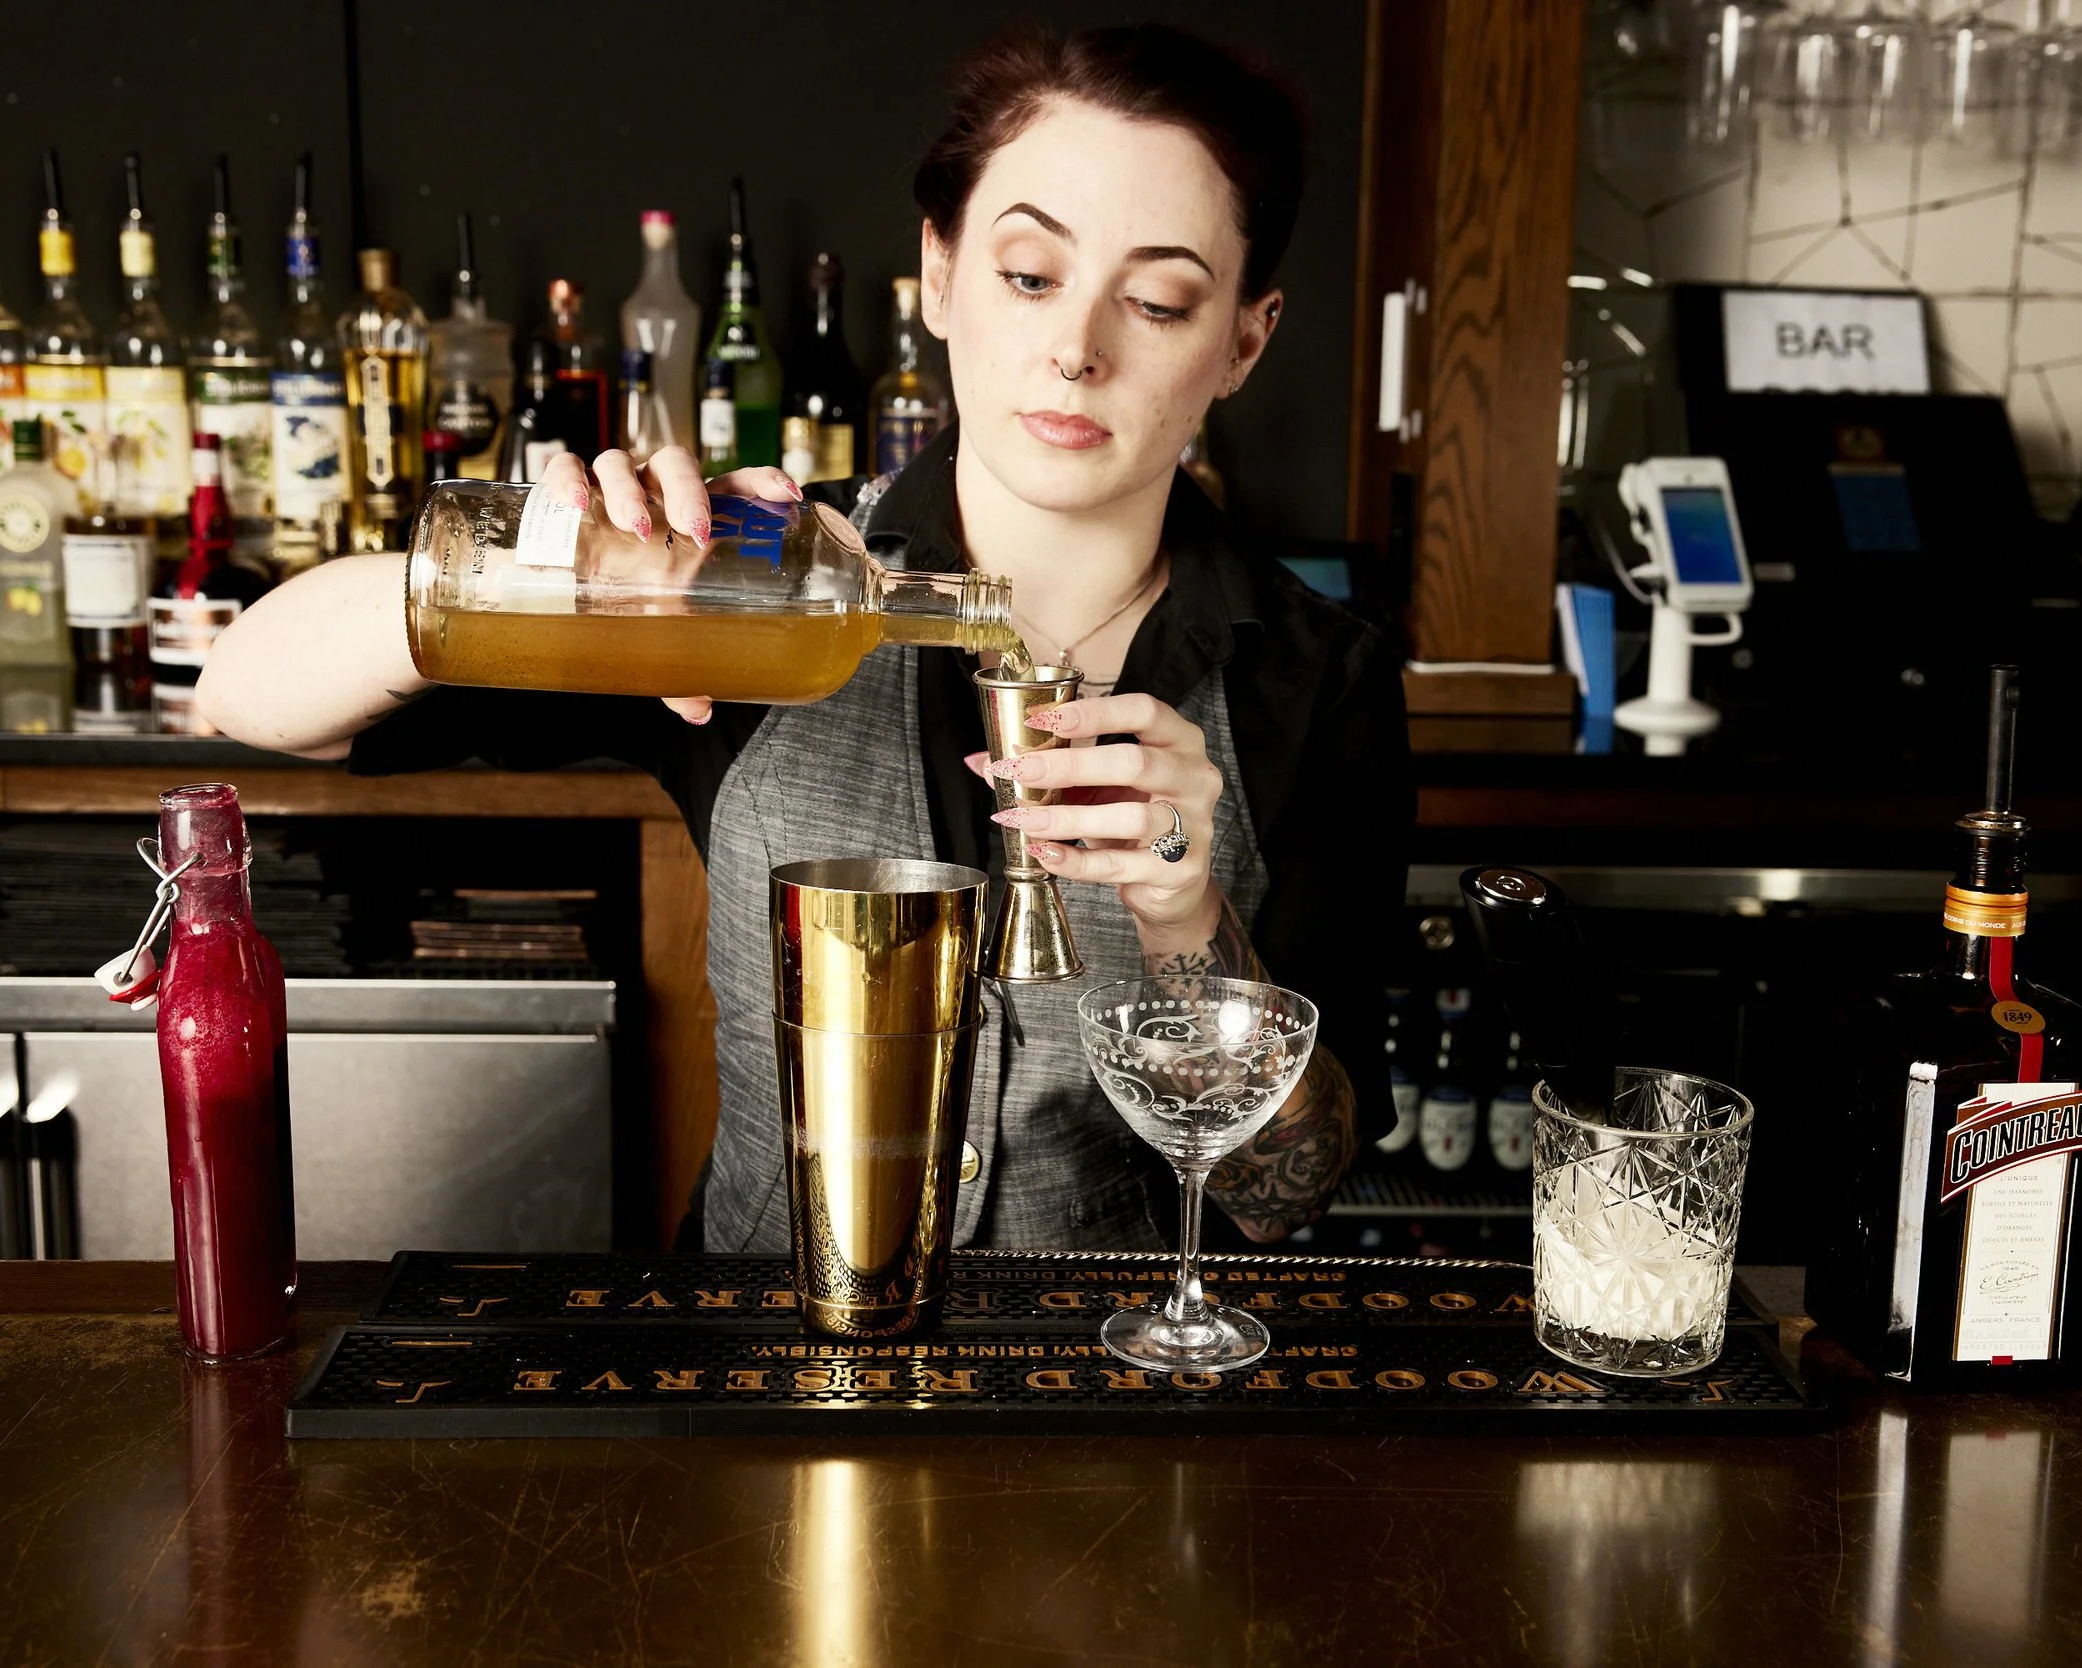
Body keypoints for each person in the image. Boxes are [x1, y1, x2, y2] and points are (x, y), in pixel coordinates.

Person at [199, 23, 1412, 1253]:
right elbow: (243, 695)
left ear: (1244, 341)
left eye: (1157, 300)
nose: (1075, 349)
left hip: (1107, 1396)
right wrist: (549, 565)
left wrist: (1184, 918)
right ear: (938, 275)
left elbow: (1284, 1194)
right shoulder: (744, 587)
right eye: (1029, 275)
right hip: (764, 1377)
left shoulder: (1315, 679)